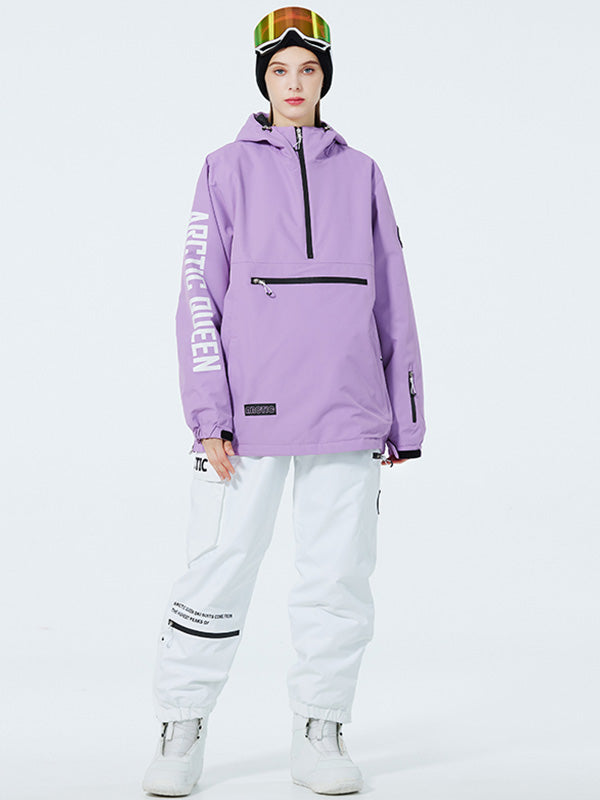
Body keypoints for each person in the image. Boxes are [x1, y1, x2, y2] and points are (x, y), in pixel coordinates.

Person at [142, 5, 426, 796]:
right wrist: (208, 413)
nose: (293, 84)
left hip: (348, 409)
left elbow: (393, 296)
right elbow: (198, 295)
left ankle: (320, 728)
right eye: (279, 71)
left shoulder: (362, 173)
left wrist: (405, 413)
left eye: (307, 70)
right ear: (262, 80)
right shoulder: (223, 169)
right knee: (218, 571)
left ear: (325, 77)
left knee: (337, 579)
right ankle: (183, 721)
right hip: (248, 418)